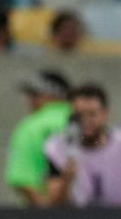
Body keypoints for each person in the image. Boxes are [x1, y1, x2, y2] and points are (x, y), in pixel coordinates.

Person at [45, 84, 121, 208]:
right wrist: (66, 180)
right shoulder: (58, 148)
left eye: (92, 114)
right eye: (79, 115)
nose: (85, 121)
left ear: (106, 114)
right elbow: (54, 205)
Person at [5, 69, 72, 206]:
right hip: (89, 216)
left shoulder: (30, 127)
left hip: (41, 218)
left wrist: (45, 212)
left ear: (54, 95)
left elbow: (22, 179)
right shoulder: (85, 122)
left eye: (36, 95)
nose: (30, 101)